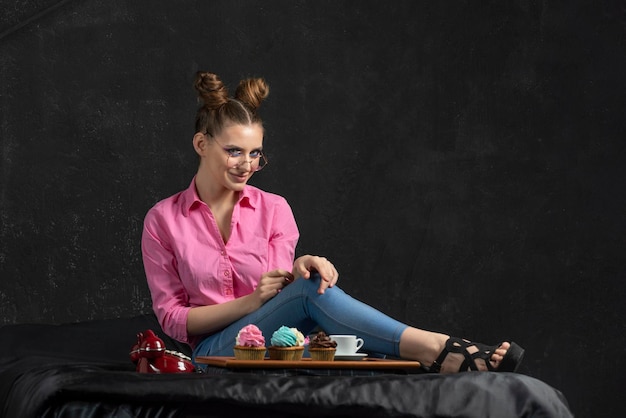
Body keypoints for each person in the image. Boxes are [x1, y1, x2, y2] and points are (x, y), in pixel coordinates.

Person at [141, 71, 524, 373]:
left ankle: (432, 356)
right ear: (201, 144)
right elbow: (174, 320)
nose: (247, 165)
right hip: (218, 353)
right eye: (234, 152)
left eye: (256, 154)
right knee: (308, 295)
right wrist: (250, 302)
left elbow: (279, 294)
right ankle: (437, 348)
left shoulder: (274, 209)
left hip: (279, 342)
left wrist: (296, 269)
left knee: (310, 285)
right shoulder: (163, 220)